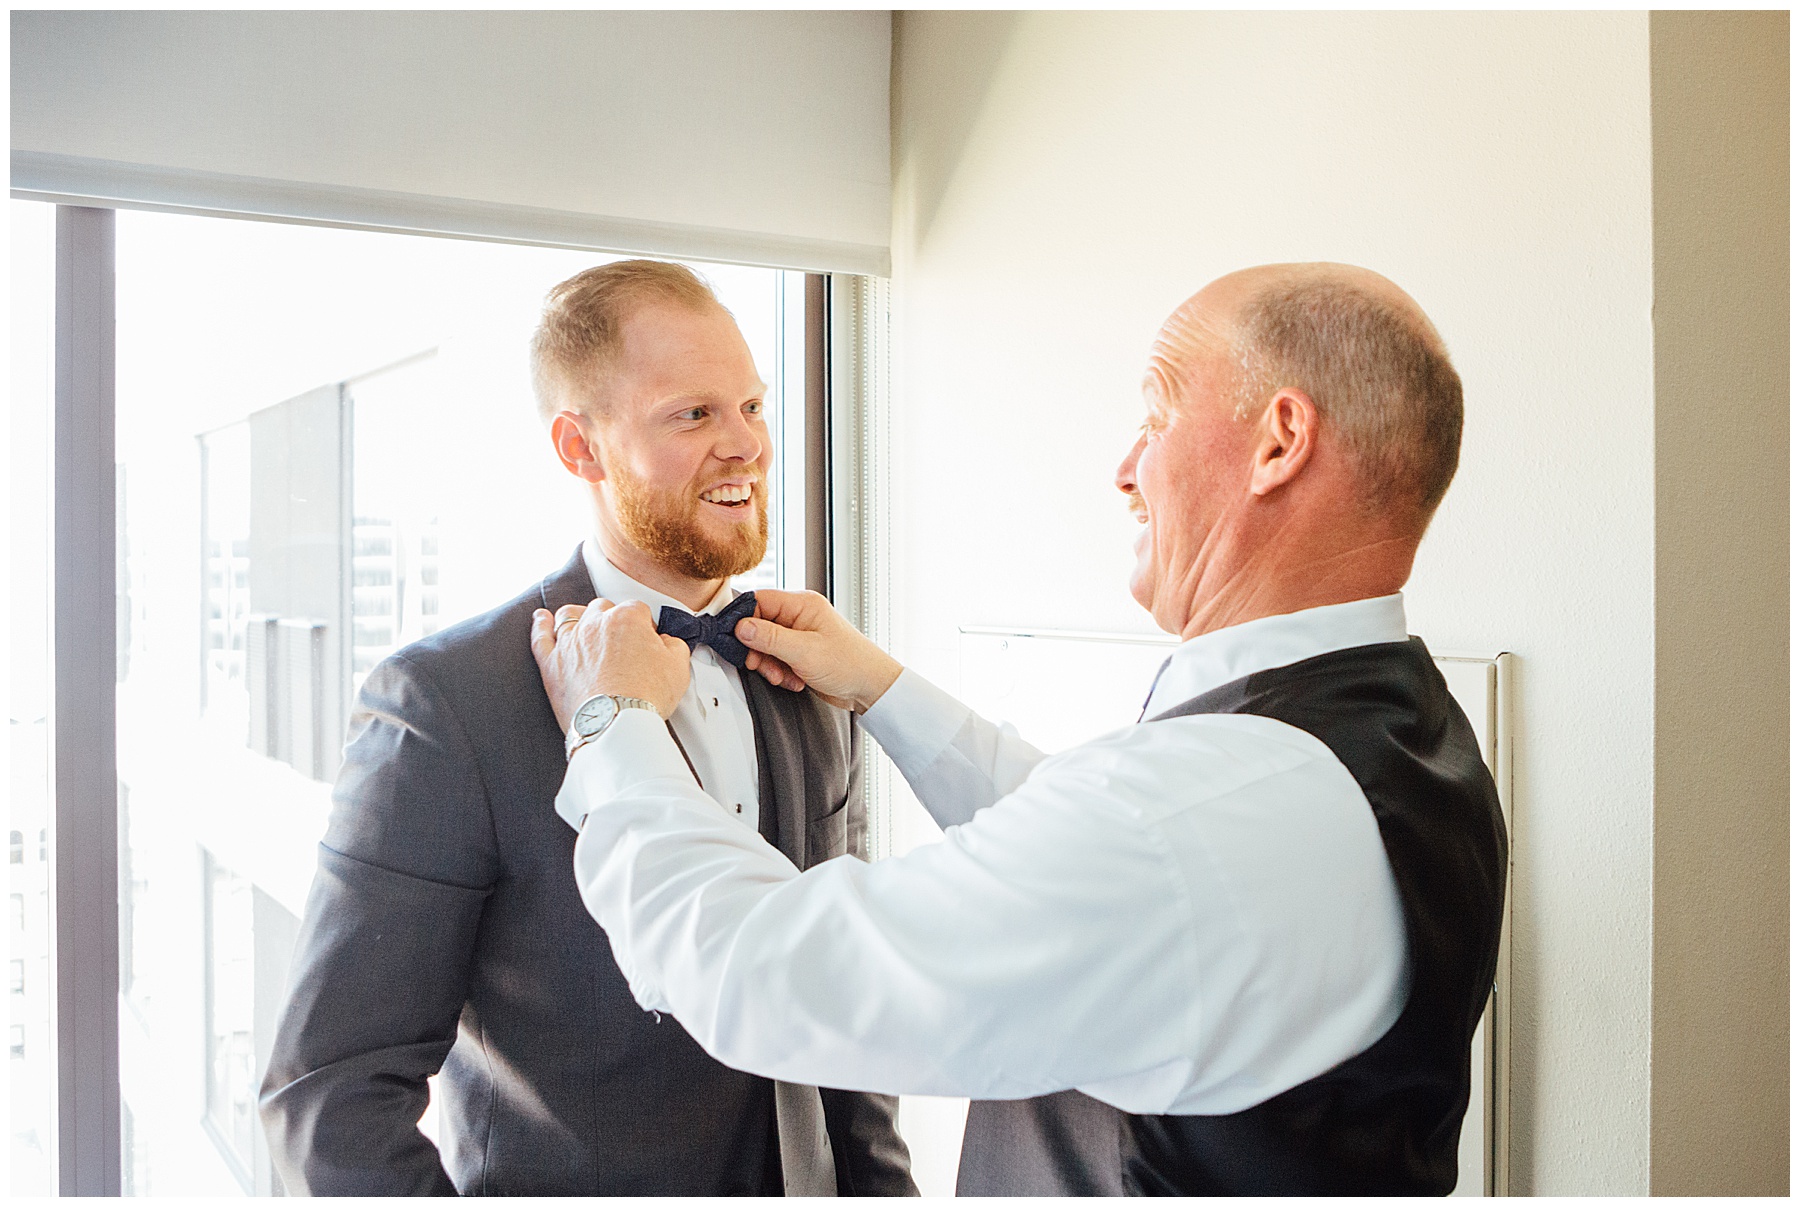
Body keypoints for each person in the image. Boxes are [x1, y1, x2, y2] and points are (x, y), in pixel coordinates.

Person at [531, 263, 1509, 1196]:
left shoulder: (1203, 814)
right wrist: (884, 689)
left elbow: (765, 974)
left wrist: (613, 722)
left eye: (1156, 415)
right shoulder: (1401, 736)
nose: (1125, 469)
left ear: (1280, 441)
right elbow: (1099, 861)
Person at [260, 260, 916, 1196]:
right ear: (581, 447)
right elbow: (330, 1094)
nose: (746, 446)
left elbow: (849, 1009)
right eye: (694, 415)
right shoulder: (447, 703)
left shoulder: (810, 667)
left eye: (753, 406)